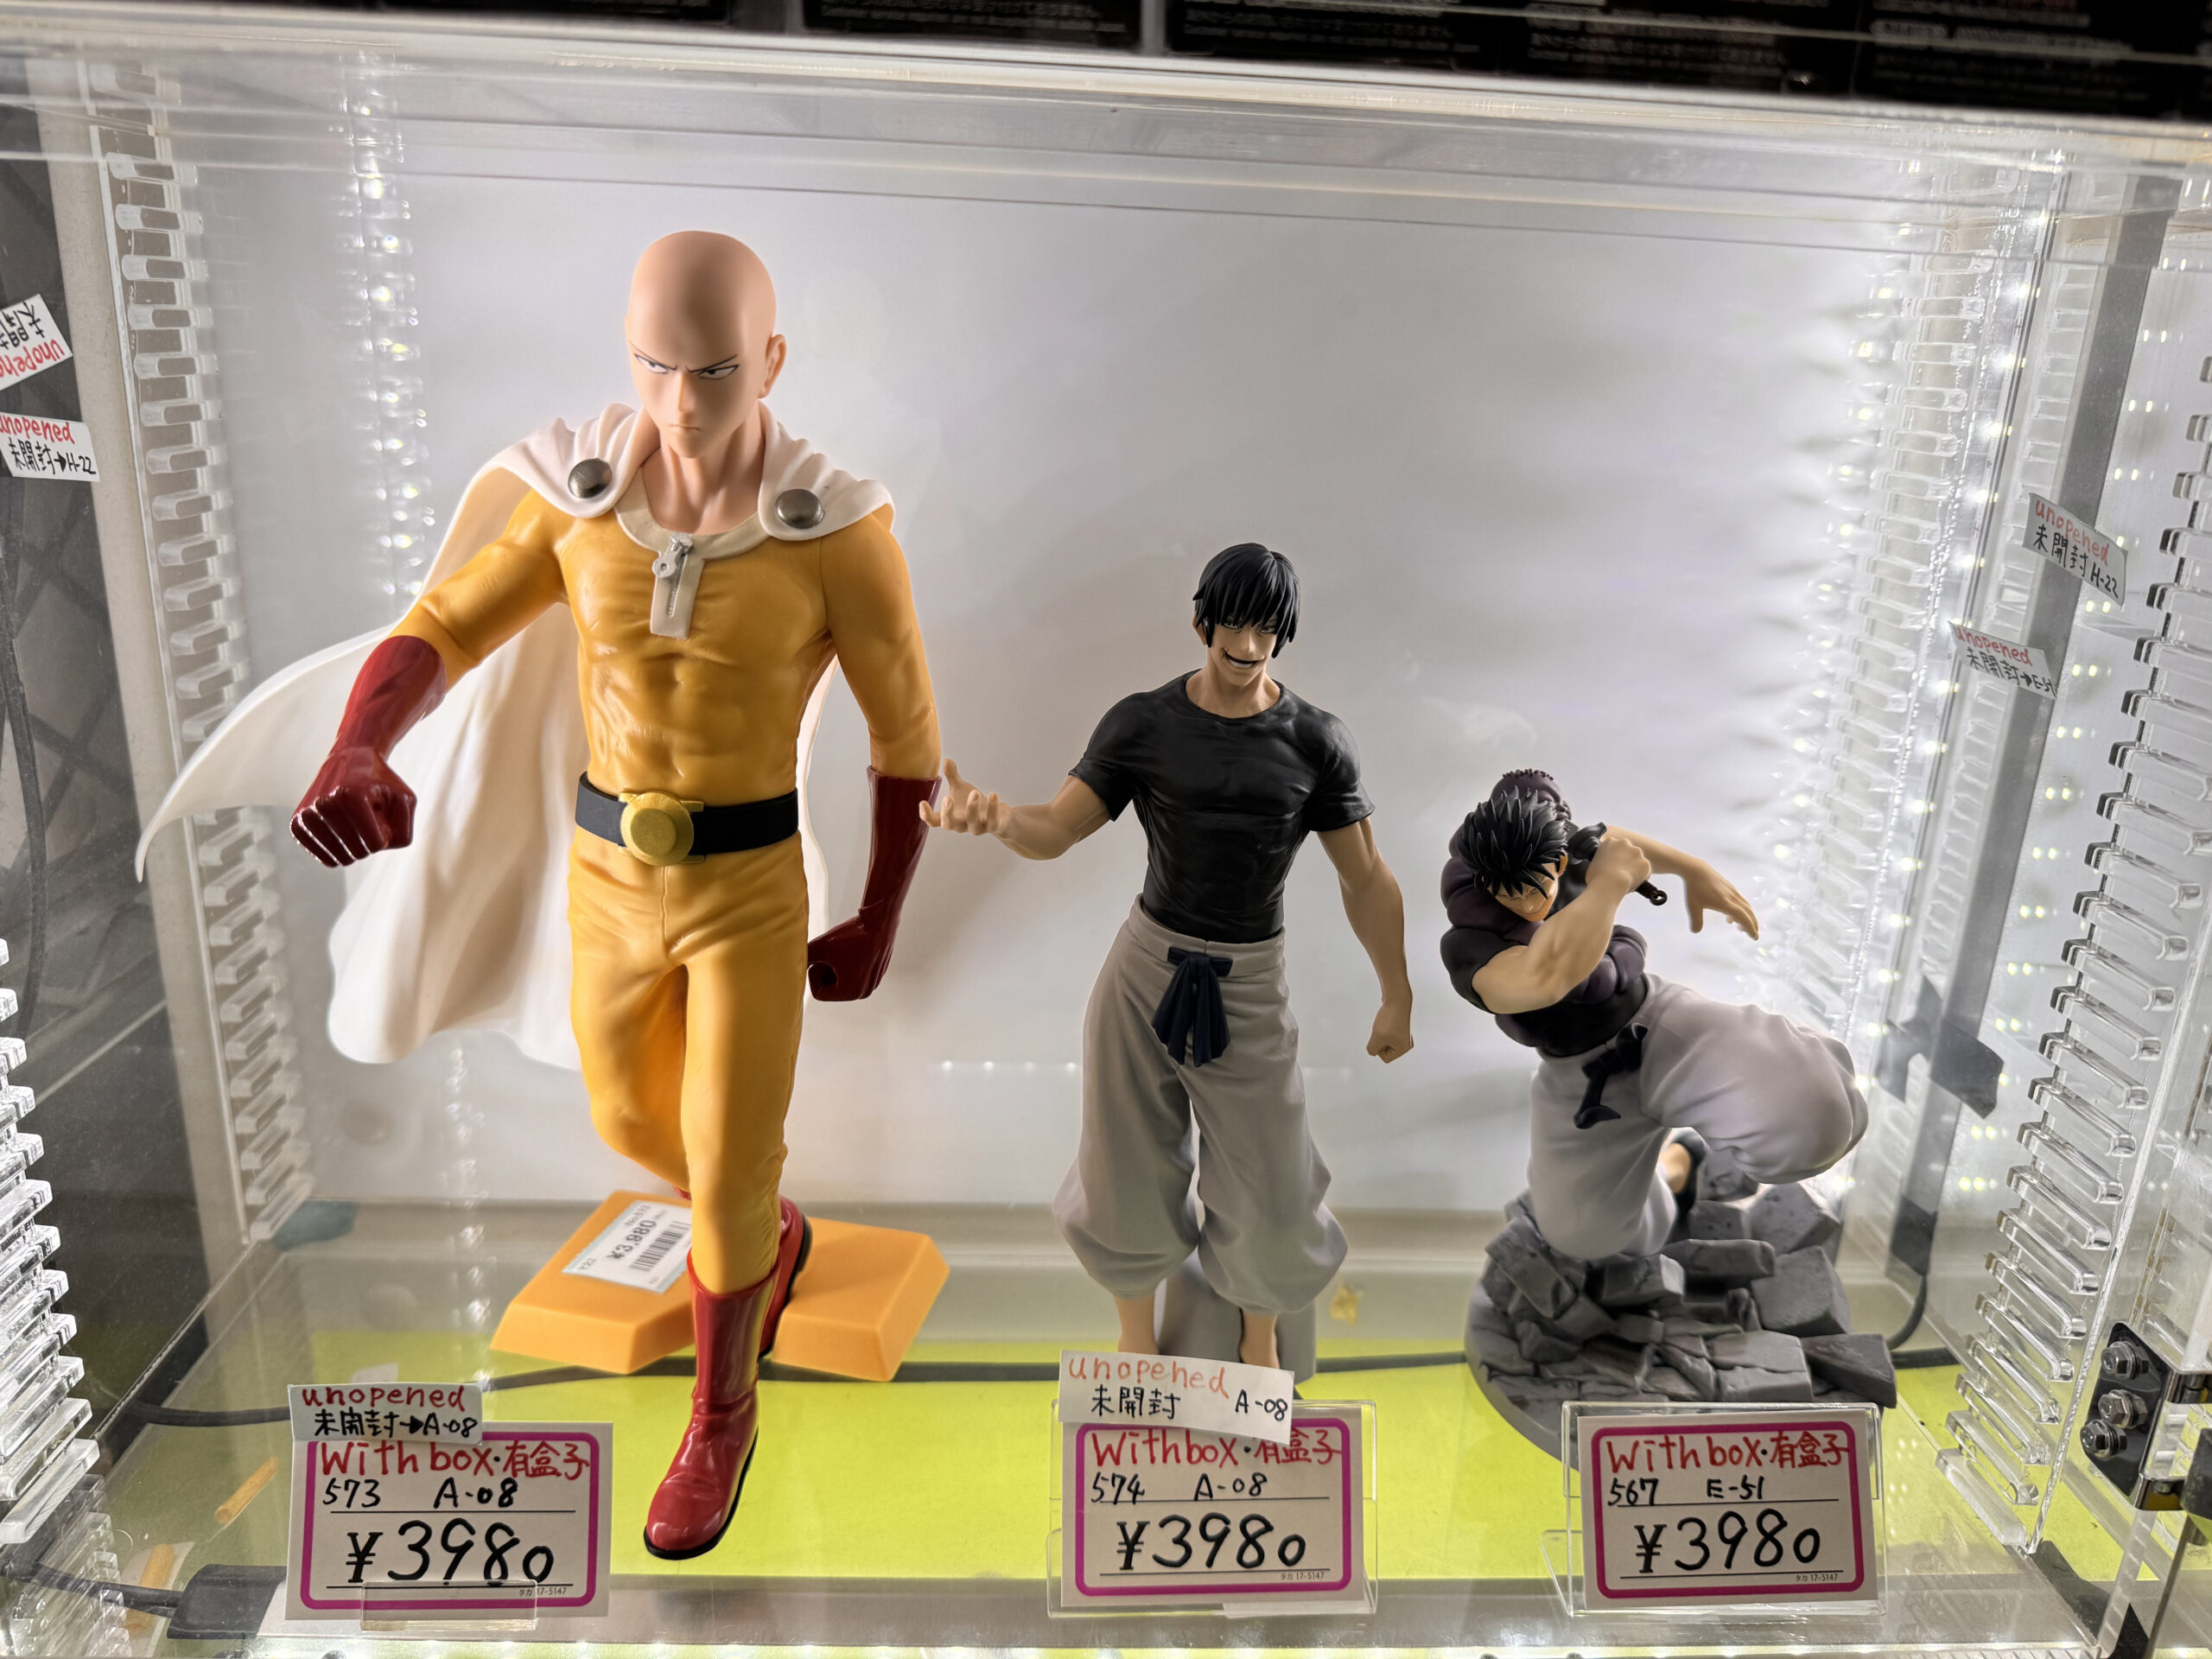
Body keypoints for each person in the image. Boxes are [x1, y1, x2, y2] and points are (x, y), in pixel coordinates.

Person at [286, 233, 942, 1559]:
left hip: (747, 888)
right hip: (606, 878)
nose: (682, 403)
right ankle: (759, 1231)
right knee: (628, 1114)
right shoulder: (579, 504)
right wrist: (358, 744)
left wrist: (880, 913)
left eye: (715, 371)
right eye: (656, 367)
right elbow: (446, 623)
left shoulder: (836, 532)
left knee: (727, 1161)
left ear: (771, 360)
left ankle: (721, 1413)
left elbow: (908, 739)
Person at [925, 543, 1412, 1367]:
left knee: (1272, 1182)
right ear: (1201, 623)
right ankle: (1135, 1345)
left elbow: (1366, 876)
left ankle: (1259, 1351)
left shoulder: (1317, 742)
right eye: (1234, 626)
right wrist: (999, 818)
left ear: (1283, 634)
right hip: (1145, 970)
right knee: (1124, 1167)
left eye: (1266, 630)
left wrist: (1395, 992)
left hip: (1249, 982)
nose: (1248, 646)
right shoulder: (1142, 723)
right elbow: (1059, 827)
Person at [1440, 771, 1865, 1262]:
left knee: (1816, 1121)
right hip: (1582, 1079)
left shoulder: (1554, 843)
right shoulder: (1469, 941)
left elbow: (1609, 841)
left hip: (1653, 1020)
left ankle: (1763, 1084)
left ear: (1559, 860)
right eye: (1509, 895)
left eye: (1537, 888)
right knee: (1585, 1240)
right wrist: (1608, 886)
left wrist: (1692, 870)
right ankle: (1679, 1169)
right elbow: (1547, 978)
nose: (1528, 905)